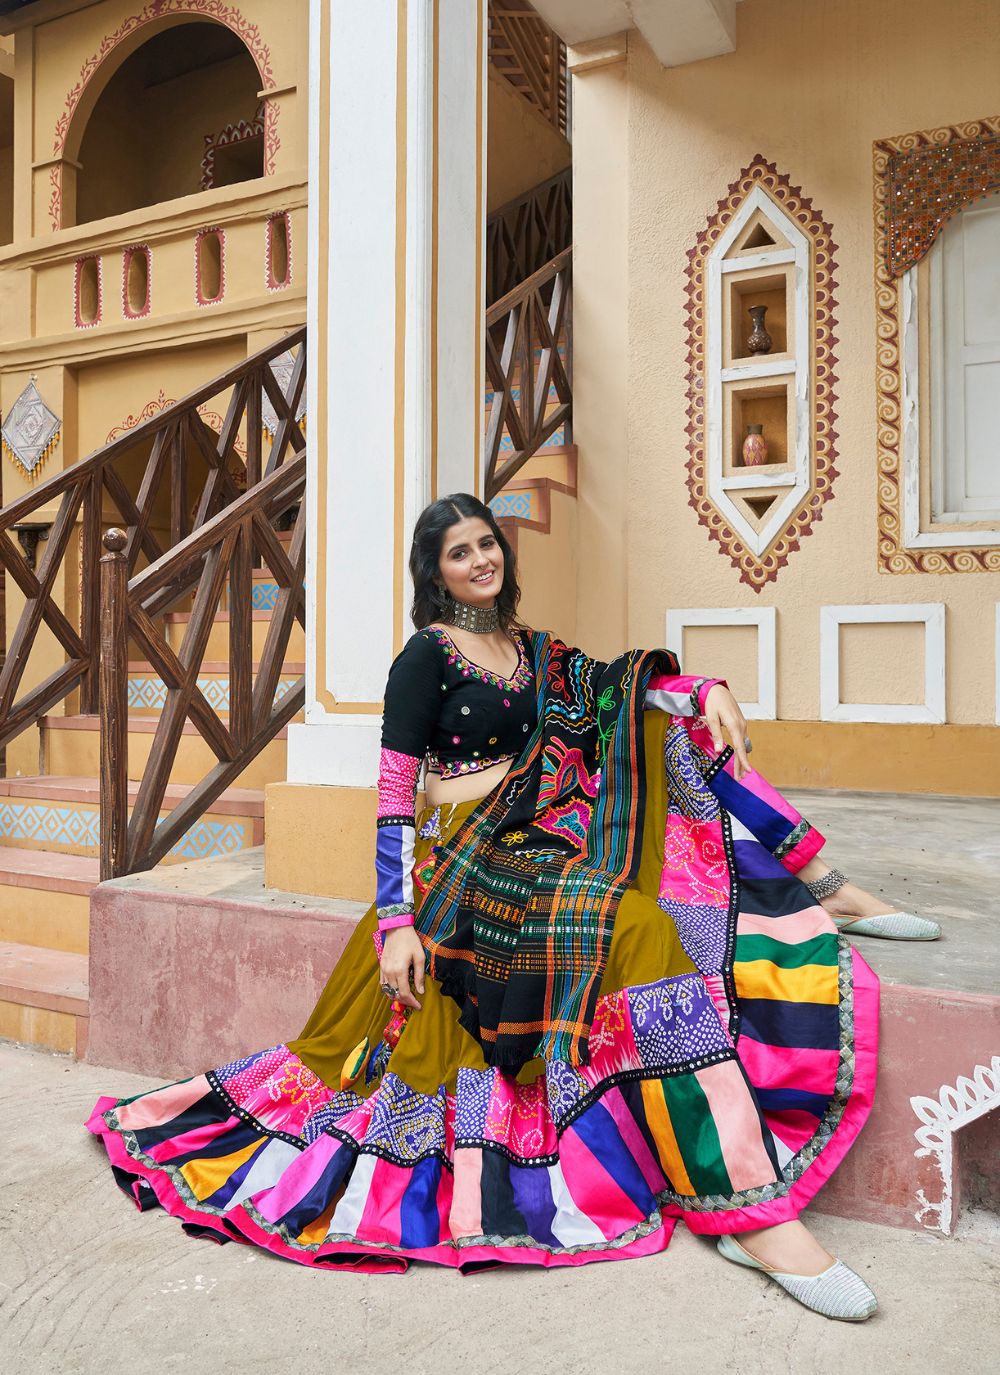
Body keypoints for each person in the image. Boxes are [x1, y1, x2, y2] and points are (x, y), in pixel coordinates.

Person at [86, 494, 937, 1317]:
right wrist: (395, 923)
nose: (480, 558)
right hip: (462, 860)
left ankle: (821, 885)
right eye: (459, 552)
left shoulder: (537, 650)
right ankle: (750, 1209)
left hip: (540, 845)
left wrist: (701, 686)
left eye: (487, 542)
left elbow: (612, 688)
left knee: (672, 732)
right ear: (437, 572)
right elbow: (392, 798)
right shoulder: (425, 656)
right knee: (636, 926)